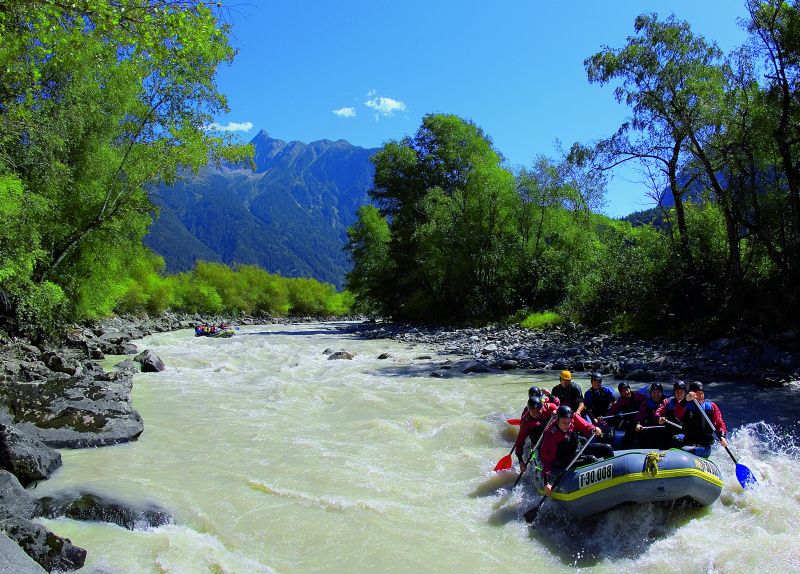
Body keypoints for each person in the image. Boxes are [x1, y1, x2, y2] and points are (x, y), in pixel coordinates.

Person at [539, 405, 614, 496]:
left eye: (568, 422)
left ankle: (613, 479)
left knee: (607, 448)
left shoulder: (573, 418)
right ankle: (597, 490)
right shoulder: (550, 435)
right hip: (562, 459)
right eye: (563, 422)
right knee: (592, 459)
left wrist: (593, 429)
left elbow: (586, 425)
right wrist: (546, 483)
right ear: (557, 420)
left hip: (576, 449)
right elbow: (546, 460)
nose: (566, 425)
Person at [672, 381, 728, 458]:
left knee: (685, 450)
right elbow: (677, 414)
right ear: (692, 394)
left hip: (703, 444)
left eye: (702, 393)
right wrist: (685, 400)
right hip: (689, 439)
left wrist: (722, 436)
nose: (701, 395)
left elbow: (719, 423)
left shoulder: (711, 406)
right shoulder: (685, 405)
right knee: (675, 439)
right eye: (698, 393)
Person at [514, 397, 558, 474]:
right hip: (539, 442)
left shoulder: (550, 407)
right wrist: (520, 461)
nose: (535, 413)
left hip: (552, 437)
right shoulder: (526, 421)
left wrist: (557, 412)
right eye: (532, 411)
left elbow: (562, 411)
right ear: (528, 410)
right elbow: (520, 441)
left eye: (538, 410)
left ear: (542, 407)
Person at [605, 382, 644, 448]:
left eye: (627, 389)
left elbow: (646, 405)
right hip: (630, 422)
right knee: (628, 433)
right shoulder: (620, 401)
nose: (626, 392)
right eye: (623, 391)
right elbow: (612, 412)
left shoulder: (638, 396)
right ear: (620, 393)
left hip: (640, 419)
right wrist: (604, 419)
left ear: (630, 389)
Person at [634, 383, 669, 449]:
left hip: (665, 428)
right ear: (650, 393)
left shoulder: (668, 401)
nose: (655, 395)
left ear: (661, 393)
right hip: (651, 428)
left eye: (658, 392)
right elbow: (640, 415)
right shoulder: (646, 403)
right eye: (653, 392)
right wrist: (638, 424)